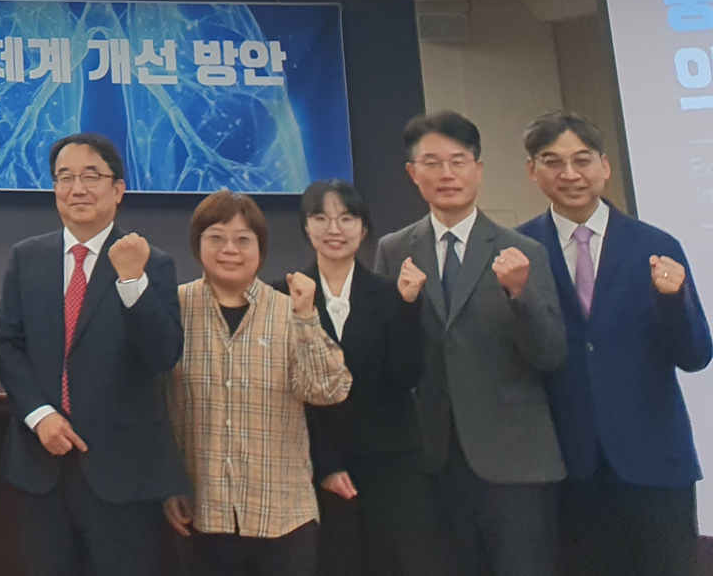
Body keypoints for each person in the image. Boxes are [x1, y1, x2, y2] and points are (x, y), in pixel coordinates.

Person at [514, 110, 711, 576]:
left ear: (605, 166)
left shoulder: (655, 245)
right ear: (532, 171)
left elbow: (696, 355)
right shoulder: (519, 252)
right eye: (553, 162)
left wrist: (672, 301)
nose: (570, 174)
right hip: (568, 469)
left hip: (654, 463)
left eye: (582, 160)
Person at [373, 111, 564, 576]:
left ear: (478, 170)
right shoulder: (394, 250)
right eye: (432, 163)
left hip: (513, 458)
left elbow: (551, 353)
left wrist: (520, 295)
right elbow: (387, 354)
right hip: (432, 457)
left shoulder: (524, 251)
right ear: (412, 173)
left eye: (458, 161)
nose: (446, 174)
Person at [0, 132, 187, 576]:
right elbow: (6, 343)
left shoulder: (151, 262)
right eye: (65, 177)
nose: (77, 188)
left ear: (118, 189)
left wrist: (131, 282)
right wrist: (40, 415)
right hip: (42, 467)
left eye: (91, 176)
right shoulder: (27, 257)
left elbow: (163, 355)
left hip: (123, 472)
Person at [164, 190, 350, 576]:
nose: (229, 249)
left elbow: (329, 391)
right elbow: (156, 408)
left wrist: (307, 318)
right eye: (216, 238)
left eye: (242, 239)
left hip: (283, 515)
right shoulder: (173, 309)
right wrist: (168, 484)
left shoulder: (289, 308)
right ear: (197, 244)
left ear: (261, 248)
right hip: (202, 514)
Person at [287, 180, 432, 576]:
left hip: (390, 462)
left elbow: (406, 375)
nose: (334, 229)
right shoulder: (282, 296)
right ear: (306, 227)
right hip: (314, 463)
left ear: (364, 228)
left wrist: (407, 307)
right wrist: (325, 464)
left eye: (347, 218)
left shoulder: (392, 294)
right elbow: (289, 393)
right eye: (321, 218)